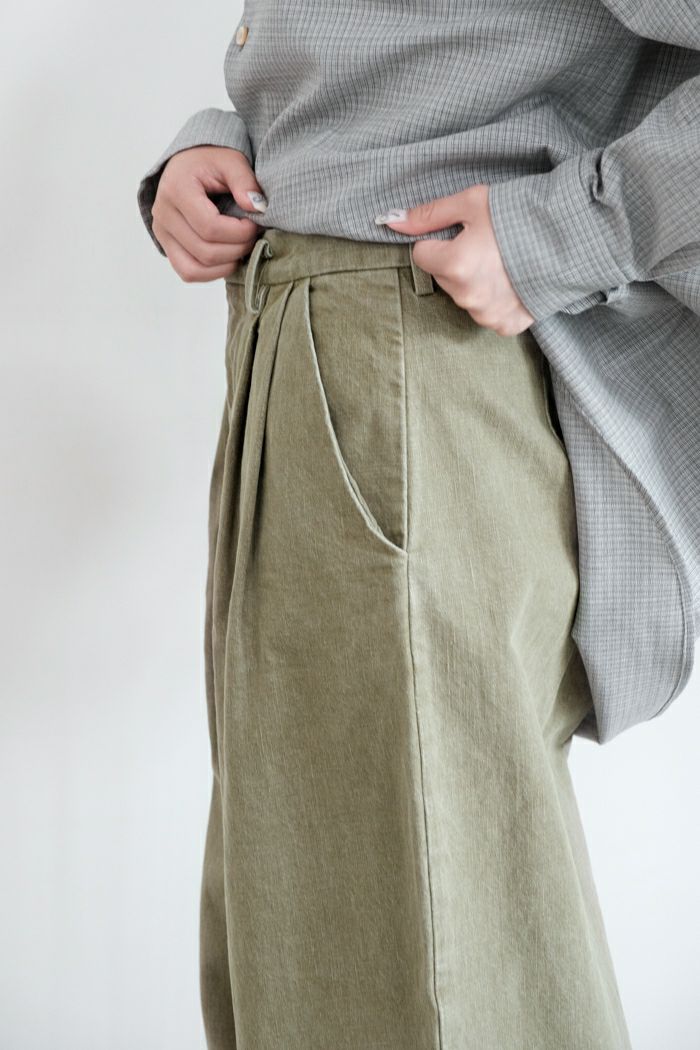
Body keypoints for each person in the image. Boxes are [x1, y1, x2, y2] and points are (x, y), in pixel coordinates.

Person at [137, 3, 700, 1047]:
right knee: (328, 939)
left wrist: (570, 228)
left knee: (407, 959)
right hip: (323, 344)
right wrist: (227, 142)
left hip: (405, 354)